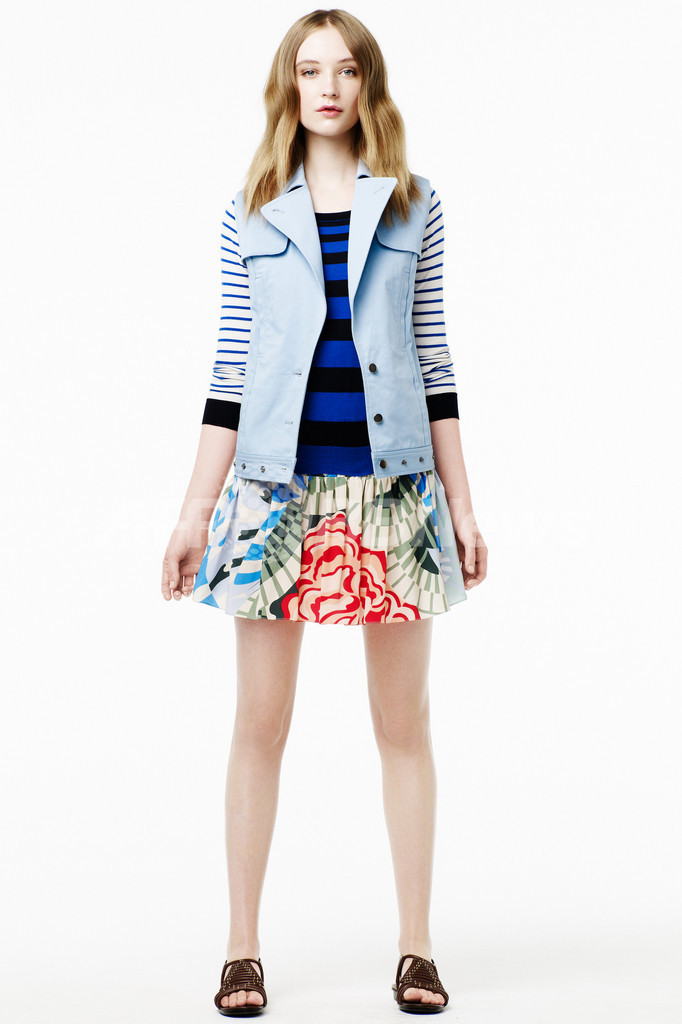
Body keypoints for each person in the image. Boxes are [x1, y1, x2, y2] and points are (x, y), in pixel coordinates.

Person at [161, 8, 487, 1016]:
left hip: (394, 490)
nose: (329, 88)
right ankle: (242, 948)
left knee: (404, 723)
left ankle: (417, 947)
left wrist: (461, 503)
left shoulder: (415, 206)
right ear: (289, 87)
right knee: (259, 723)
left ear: (368, 83)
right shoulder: (253, 210)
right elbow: (232, 367)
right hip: (273, 495)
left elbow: (433, 356)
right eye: (310, 71)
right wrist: (194, 511)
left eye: (345, 70)